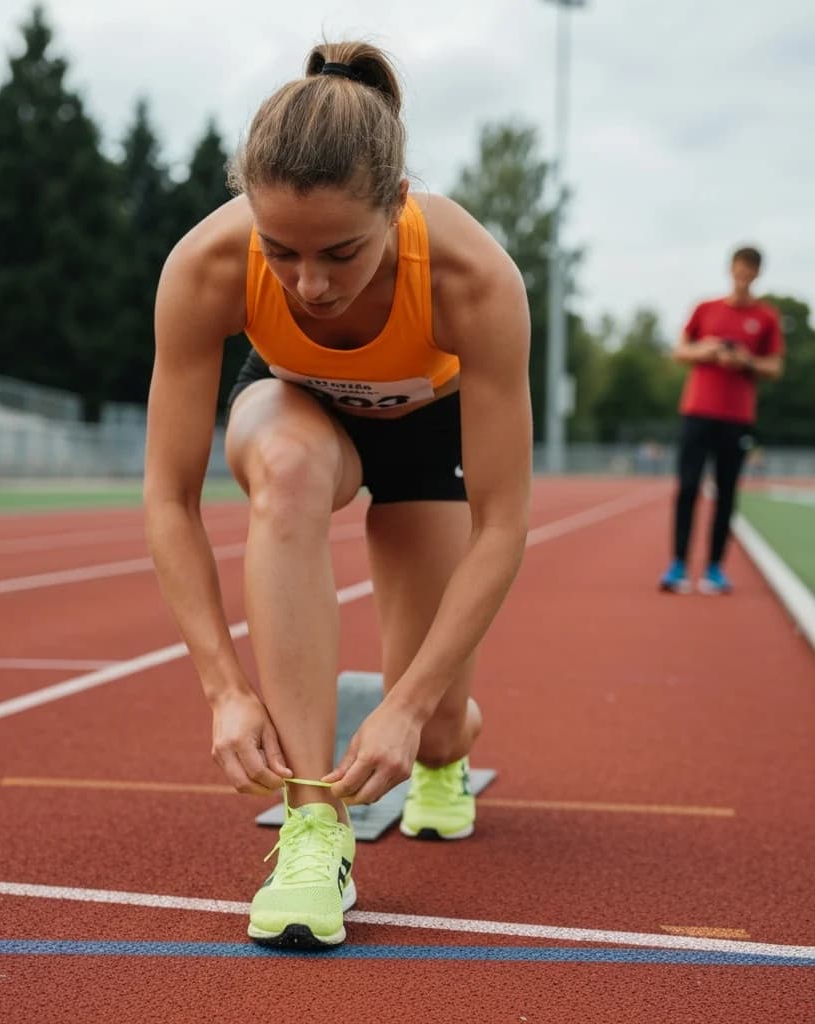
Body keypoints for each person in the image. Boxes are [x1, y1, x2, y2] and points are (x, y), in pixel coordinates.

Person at [144, 40, 531, 949]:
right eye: (280, 251)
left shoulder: (476, 281)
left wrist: (402, 710)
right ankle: (313, 826)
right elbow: (168, 498)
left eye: (339, 253)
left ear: (398, 205)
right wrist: (224, 690)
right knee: (287, 473)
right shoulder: (205, 264)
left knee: (430, 728)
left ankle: (448, 743)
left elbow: (505, 524)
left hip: (429, 431)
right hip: (298, 407)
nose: (309, 286)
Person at [659, 246, 784, 595]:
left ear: (757, 274)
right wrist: (708, 350)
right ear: (731, 269)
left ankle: (715, 567)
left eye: (750, 271)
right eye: (739, 269)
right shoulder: (706, 308)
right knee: (687, 487)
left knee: (727, 493)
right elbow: (680, 350)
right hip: (698, 411)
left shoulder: (766, 317)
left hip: (737, 416)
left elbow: (774, 367)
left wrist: (746, 361)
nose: (743, 276)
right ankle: (678, 563)